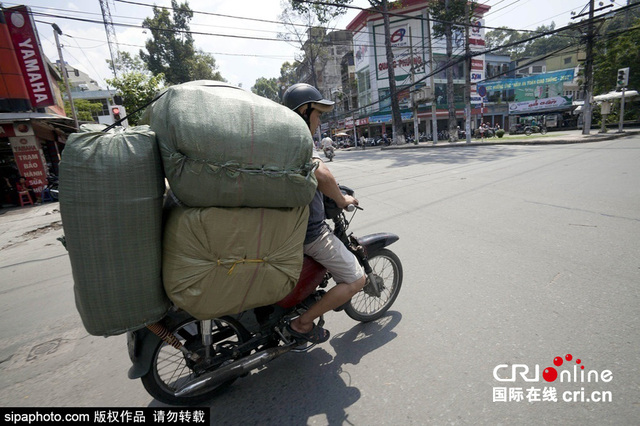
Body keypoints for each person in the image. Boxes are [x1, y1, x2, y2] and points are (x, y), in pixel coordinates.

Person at [282, 83, 366, 344]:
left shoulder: (277, 141)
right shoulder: (298, 140)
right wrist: (341, 200)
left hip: (285, 232)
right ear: (305, 111)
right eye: (317, 114)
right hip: (310, 234)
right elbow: (321, 174)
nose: (318, 121)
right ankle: (302, 323)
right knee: (356, 279)